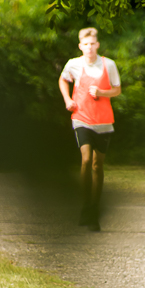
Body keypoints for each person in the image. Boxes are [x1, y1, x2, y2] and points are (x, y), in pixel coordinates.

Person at [57, 27, 122, 231]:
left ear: (97, 45)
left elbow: (117, 90)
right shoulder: (73, 64)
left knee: (97, 166)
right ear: (80, 46)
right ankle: (86, 206)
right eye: (85, 44)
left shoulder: (108, 64)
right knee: (86, 160)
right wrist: (68, 99)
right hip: (81, 118)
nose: (89, 47)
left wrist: (102, 92)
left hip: (103, 122)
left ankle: (94, 207)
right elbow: (62, 79)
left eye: (92, 44)